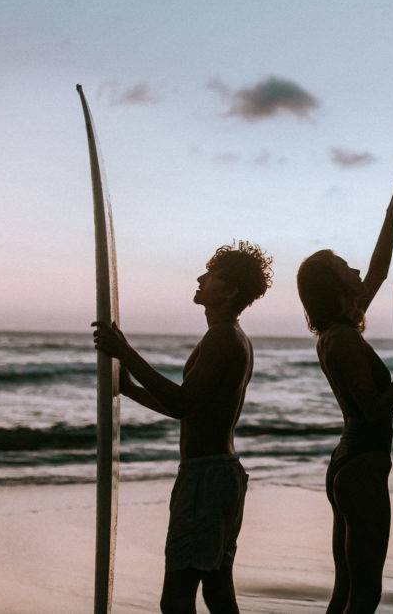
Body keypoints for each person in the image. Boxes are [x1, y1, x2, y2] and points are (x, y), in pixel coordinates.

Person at [296, 162, 393, 614]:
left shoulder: (337, 329)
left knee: (345, 590)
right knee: (364, 594)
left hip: (350, 464)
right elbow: (376, 412)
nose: (355, 267)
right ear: (333, 285)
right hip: (361, 469)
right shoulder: (340, 340)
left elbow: (379, 271)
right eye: (344, 267)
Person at [93, 241, 272, 614]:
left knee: (176, 599)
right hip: (215, 473)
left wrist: (125, 352)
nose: (200, 278)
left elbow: (181, 402)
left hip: (206, 478)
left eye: (211, 274)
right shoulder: (230, 336)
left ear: (229, 290)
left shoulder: (223, 337)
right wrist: (129, 389)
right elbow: (188, 409)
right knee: (217, 592)